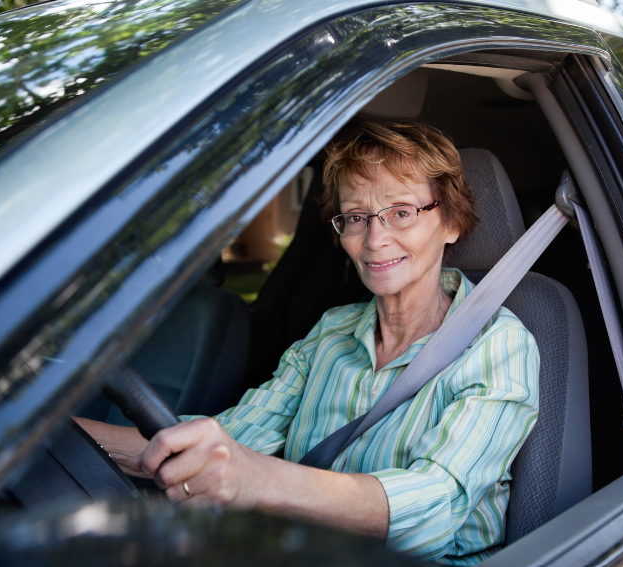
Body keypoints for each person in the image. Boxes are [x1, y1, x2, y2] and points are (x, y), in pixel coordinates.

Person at [77, 120, 540, 565]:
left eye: (401, 212)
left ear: (452, 222)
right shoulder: (332, 332)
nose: (376, 239)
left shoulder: (497, 346)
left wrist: (258, 480)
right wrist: (60, 433)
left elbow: (434, 506)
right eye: (356, 217)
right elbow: (230, 441)